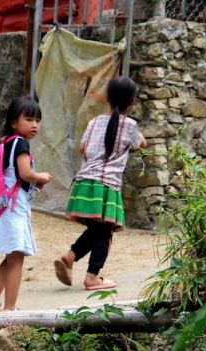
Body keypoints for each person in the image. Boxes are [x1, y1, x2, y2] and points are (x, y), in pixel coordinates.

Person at [54, 76, 147, 291]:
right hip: (106, 186)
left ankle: (70, 256)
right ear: (132, 102)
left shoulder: (95, 121)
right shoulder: (130, 126)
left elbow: (81, 148)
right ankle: (92, 276)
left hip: (86, 181)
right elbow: (142, 144)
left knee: (98, 228)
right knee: (105, 232)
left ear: (107, 97)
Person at [0, 95, 52, 312]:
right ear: (13, 122)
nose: (34, 125)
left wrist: (32, 183)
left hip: (5, 206)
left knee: (11, 257)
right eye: (28, 119)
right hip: (13, 209)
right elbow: (25, 173)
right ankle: (10, 309)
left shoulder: (7, 143)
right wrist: (41, 176)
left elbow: (14, 177)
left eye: (37, 120)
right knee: (17, 258)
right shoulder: (20, 143)